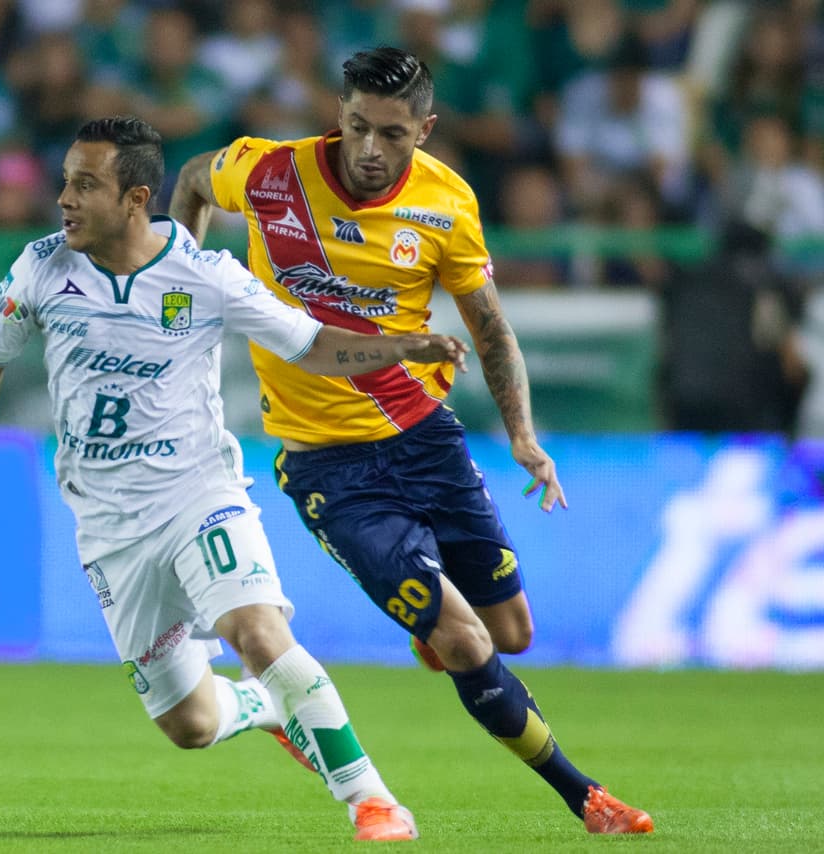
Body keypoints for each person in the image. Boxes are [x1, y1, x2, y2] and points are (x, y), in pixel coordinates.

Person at [0, 115, 473, 842]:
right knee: (189, 724)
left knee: (256, 629)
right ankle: (264, 706)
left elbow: (311, 346)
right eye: (65, 180)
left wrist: (401, 343)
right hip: (106, 522)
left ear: (136, 198)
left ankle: (372, 800)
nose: (64, 198)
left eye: (85, 184)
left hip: (198, 494)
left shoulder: (205, 275)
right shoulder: (40, 270)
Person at [168, 46, 654, 835]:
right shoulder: (268, 173)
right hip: (328, 464)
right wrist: (181, 283)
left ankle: (437, 630)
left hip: (425, 438)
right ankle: (586, 798)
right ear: (338, 112)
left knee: (511, 633)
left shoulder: (447, 203)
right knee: (466, 640)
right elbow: (192, 179)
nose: (369, 149)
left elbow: (490, 330)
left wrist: (524, 437)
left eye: (392, 134)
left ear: (424, 130)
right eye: (357, 126)